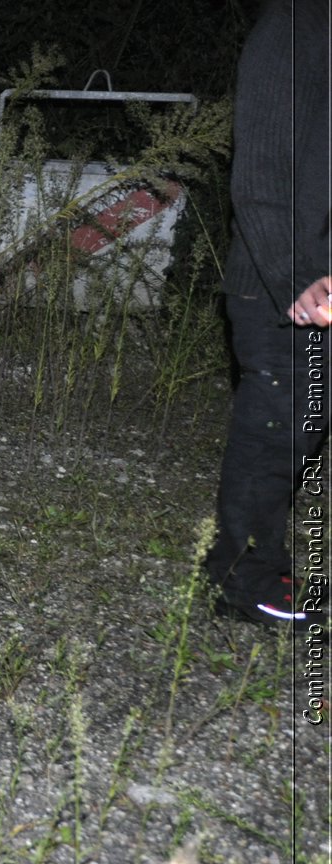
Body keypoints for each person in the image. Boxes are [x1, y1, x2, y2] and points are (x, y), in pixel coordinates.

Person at [207, 0, 330, 629]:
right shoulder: (296, 24)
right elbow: (259, 166)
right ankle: (242, 577)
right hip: (283, 282)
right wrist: (294, 271)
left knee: (304, 426)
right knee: (278, 426)